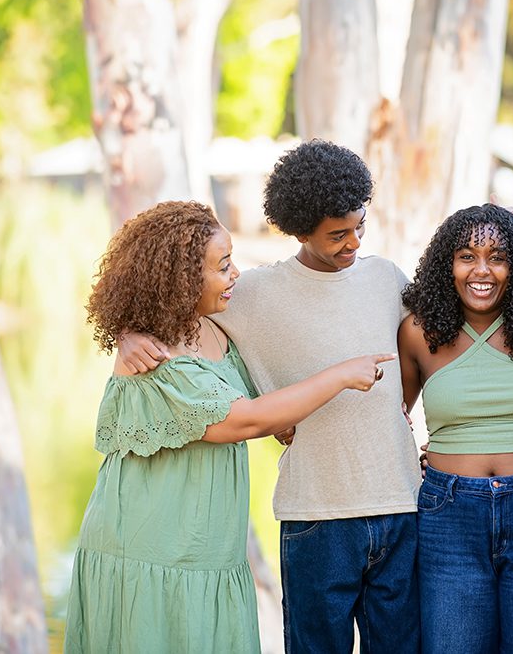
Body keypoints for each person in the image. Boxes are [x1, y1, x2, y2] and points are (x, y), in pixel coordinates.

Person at [117, 141, 421, 653]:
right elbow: (161, 299)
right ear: (300, 230)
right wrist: (128, 333)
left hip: (401, 504)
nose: (354, 242)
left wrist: (400, 411)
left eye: (360, 226)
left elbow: (422, 352)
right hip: (314, 519)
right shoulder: (251, 294)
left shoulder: (386, 279)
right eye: (337, 235)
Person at [64, 200, 394, 654]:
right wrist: (340, 376)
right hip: (151, 549)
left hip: (208, 554)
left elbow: (252, 395)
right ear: (180, 280)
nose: (235, 273)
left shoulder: (213, 327)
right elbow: (244, 420)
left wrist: (281, 411)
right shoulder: (154, 356)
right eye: (222, 266)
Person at [398, 203, 513, 654]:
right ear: (449, 264)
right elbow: (393, 415)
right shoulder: (417, 333)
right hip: (449, 515)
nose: (481, 270)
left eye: (497, 257)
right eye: (466, 256)